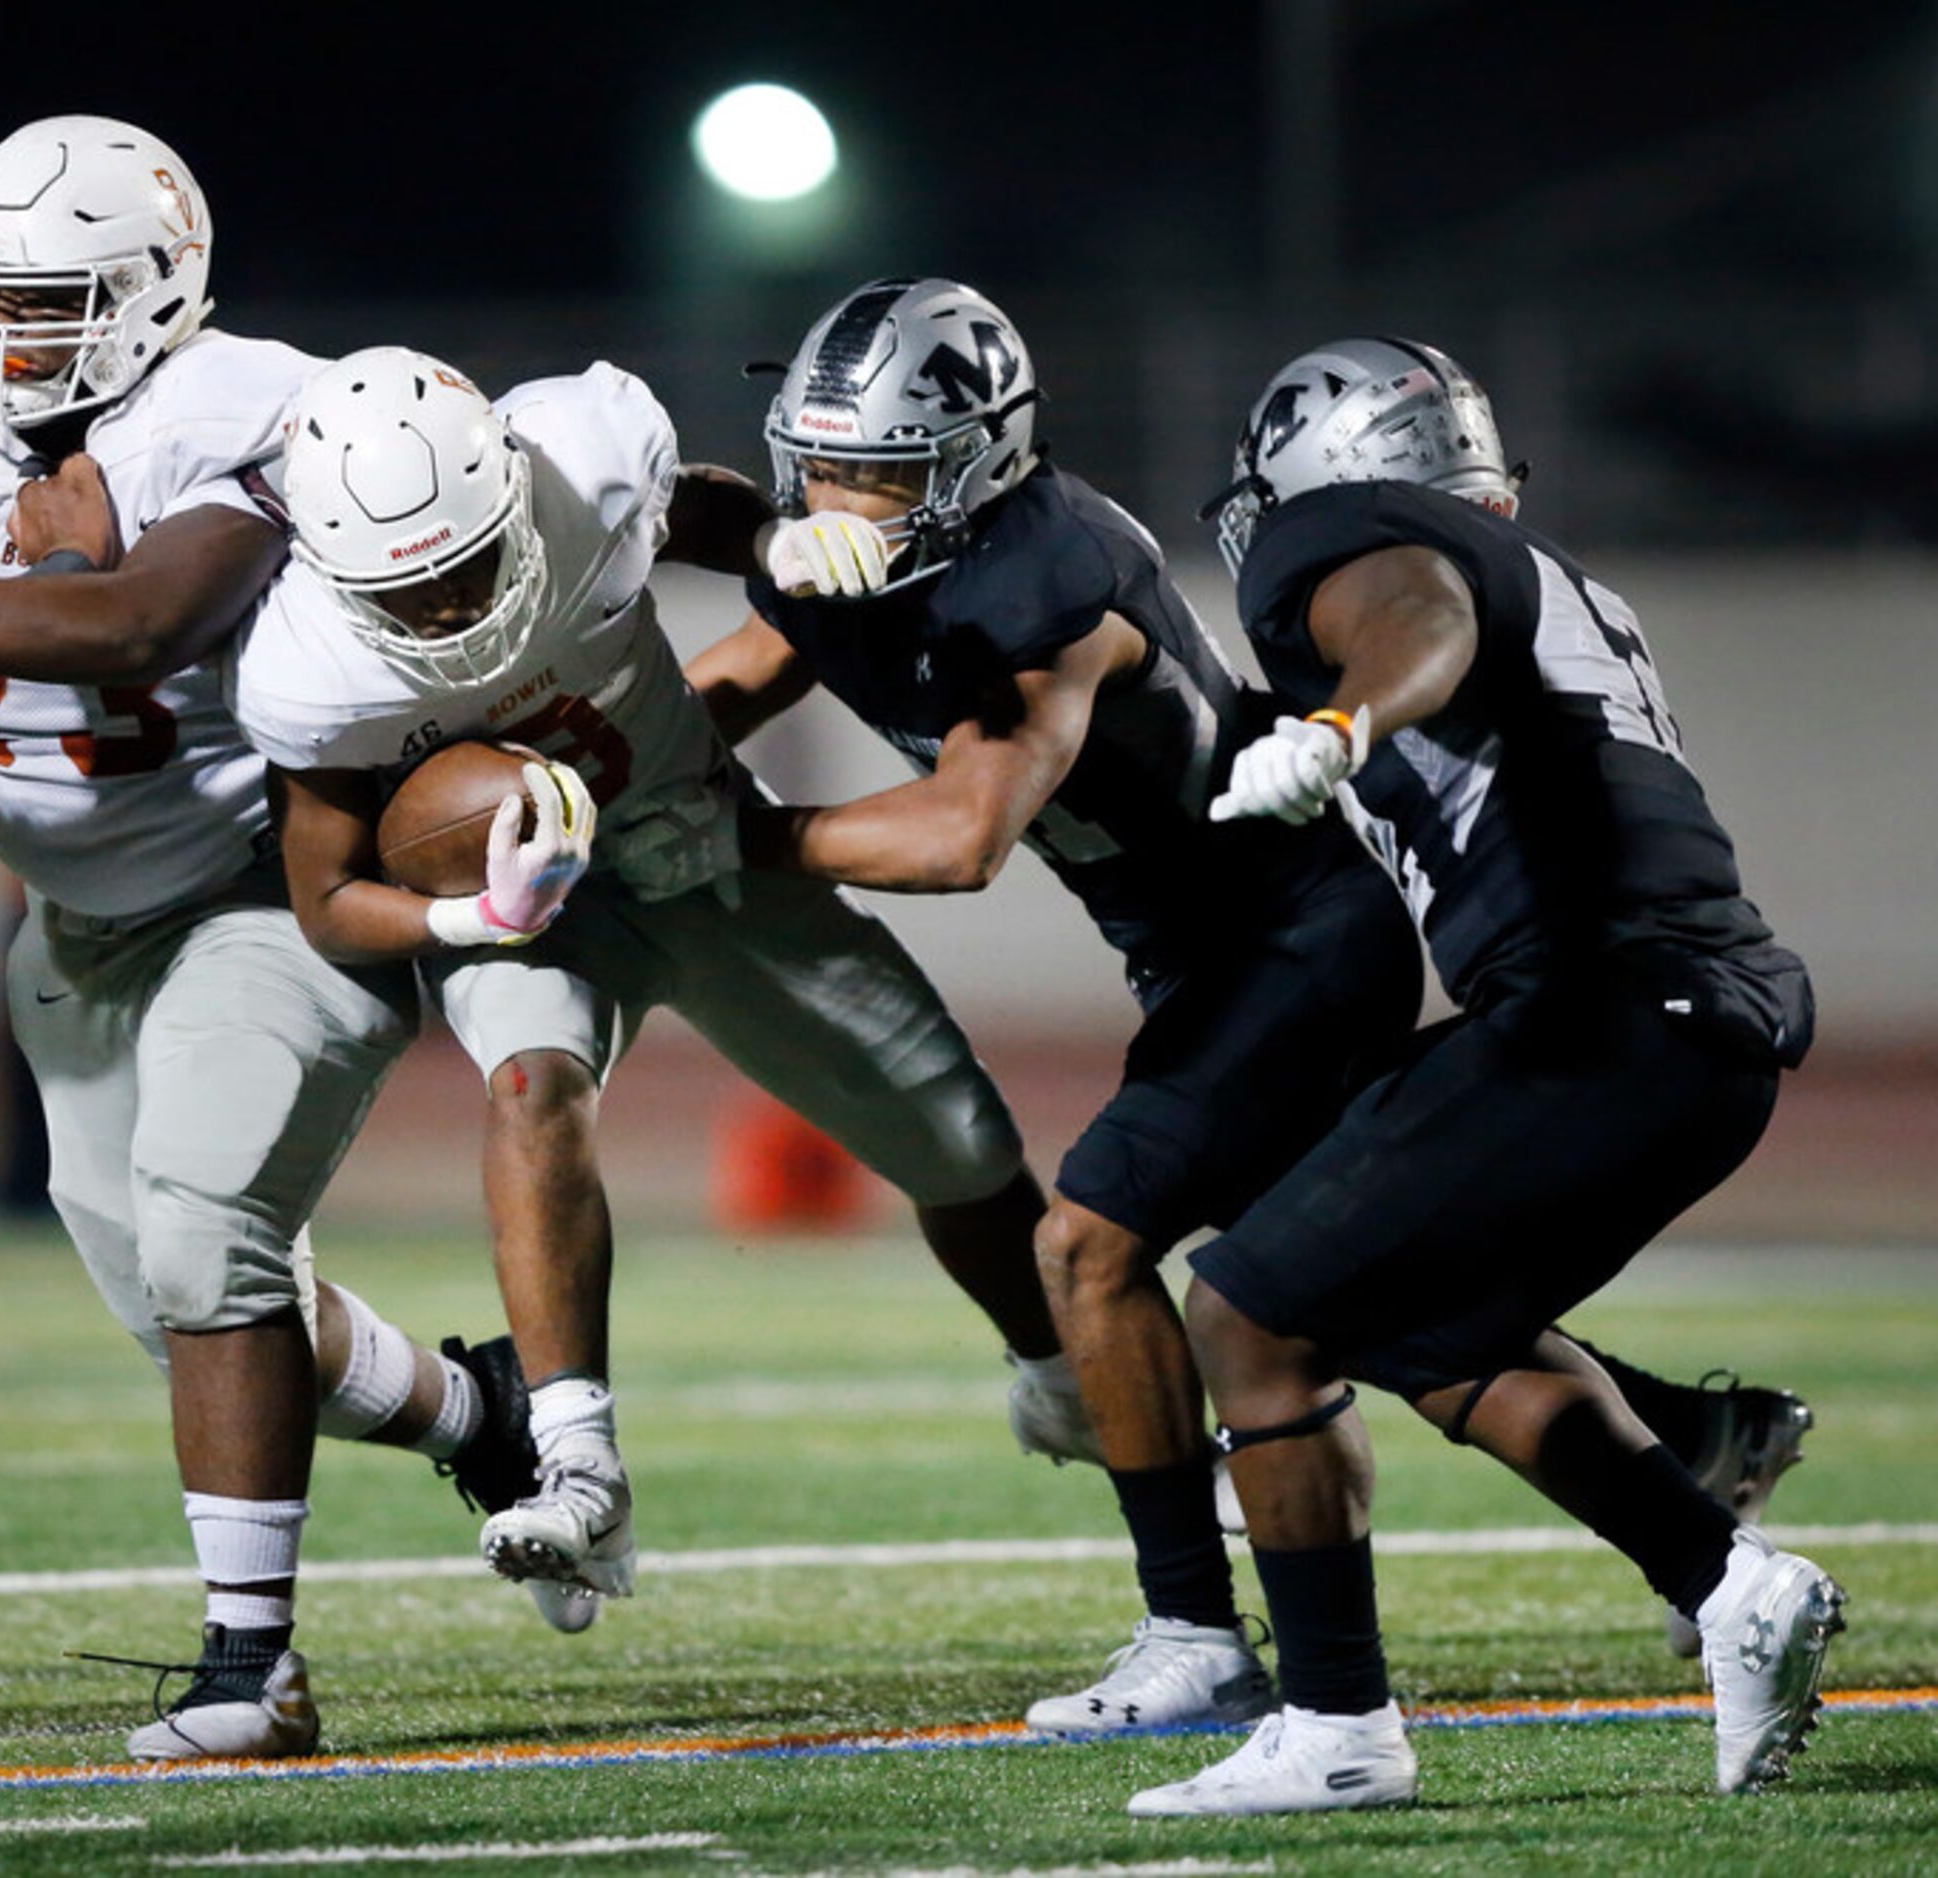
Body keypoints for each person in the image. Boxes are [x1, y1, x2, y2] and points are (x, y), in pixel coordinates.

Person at [689, 279, 1819, 1740]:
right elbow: (727, 630)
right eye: (815, 470)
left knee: (1096, 1249)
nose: (839, 499)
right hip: (1250, 961)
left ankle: (1211, 1644)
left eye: (879, 475)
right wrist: (605, 767)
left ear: (972, 462)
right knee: (1385, 1301)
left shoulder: (1069, 573)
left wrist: (728, 838)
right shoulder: (834, 548)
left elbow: (958, 837)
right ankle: (1689, 1443)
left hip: (1292, 948)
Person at [0, 117, 532, 1760]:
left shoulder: (259, 399)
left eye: (47, 304)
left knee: (209, 1244)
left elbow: (146, 617)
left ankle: (251, 1670)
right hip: (74, 917)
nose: (0, 345)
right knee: (186, 1306)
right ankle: (474, 1409)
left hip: (268, 879)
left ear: (155, 294)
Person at [209, 344, 1092, 1629]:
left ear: (509, 488)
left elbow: (697, 507)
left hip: (698, 836)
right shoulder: (308, 666)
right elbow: (327, 896)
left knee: (954, 1139)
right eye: (406, 593)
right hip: (531, 907)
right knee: (529, 1085)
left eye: (461, 566)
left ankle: (1065, 1377)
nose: (449, 611)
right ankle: (579, 1461)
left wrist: (779, 543)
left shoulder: (587, 460)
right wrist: (470, 912)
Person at [1127, 337, 1839, 1815]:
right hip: (1691, 1021)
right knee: (1410, 1319)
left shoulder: (1367, 551)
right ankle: (1725, 1577)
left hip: (1600, 1009)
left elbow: (1416, 614)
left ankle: (1335, 1725)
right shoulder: (1575, 587)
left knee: (1245, 1312)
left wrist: (1340, 717)